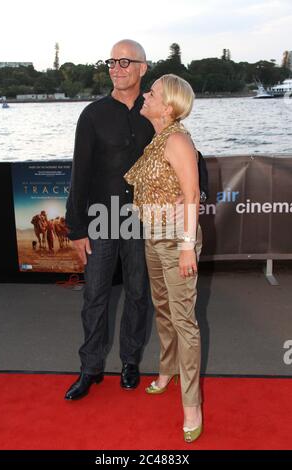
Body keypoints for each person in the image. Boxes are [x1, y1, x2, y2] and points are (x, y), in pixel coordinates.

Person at [64, 39, 154, 400]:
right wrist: (75, 227)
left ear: (142, 68)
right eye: (111, 62)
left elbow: (185, 152)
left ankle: (130, 362)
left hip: (142, 219)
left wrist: (200, 192)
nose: (116, 68)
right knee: (95, 297)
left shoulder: (155, 110)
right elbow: (79, 173)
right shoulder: (92, 115)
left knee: (137, 293)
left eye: (125, 61)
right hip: (101, 219)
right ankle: (90, 368)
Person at [124, 74, 203, 443]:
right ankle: (167, 370)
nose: (146, 95)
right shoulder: (157, 139)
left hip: (176, 242)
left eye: (152, 92)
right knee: (163, 309)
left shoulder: (176, 140)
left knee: (184, 320)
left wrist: (187, 245)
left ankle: (192, 405)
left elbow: (191, 194)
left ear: (167, 106)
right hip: (153, 238)